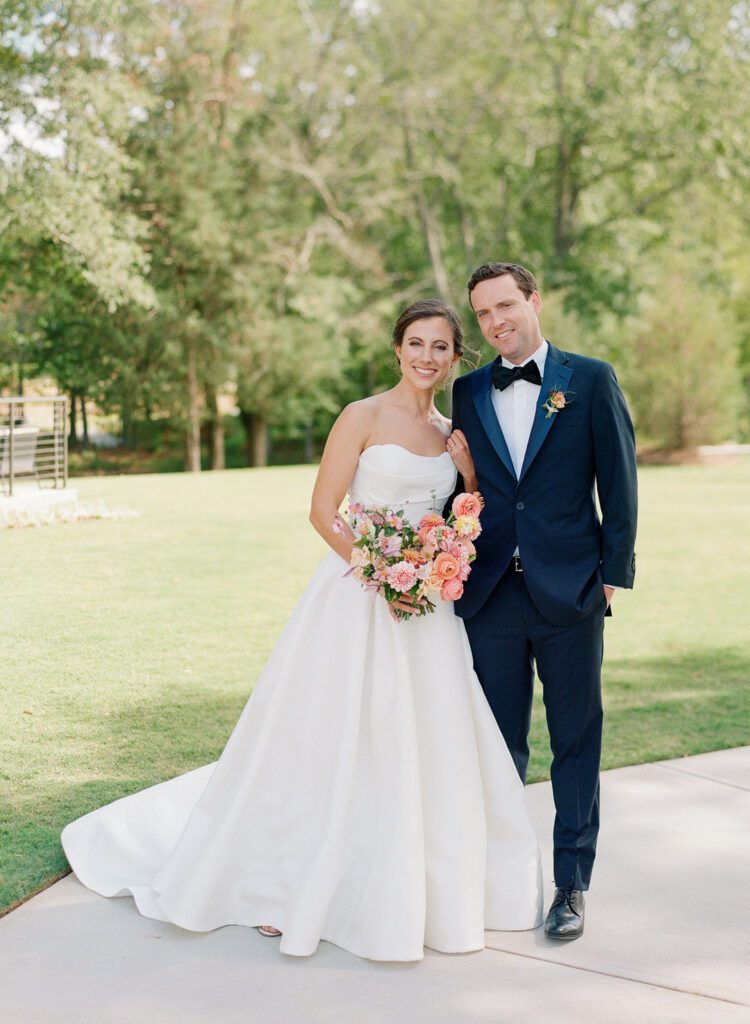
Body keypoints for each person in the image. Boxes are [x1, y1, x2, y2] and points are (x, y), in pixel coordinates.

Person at [62, 299, 543, 963]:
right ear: (397, 348)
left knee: (420, 740)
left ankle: (416, 881)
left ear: (454, 356)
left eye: (439, 346)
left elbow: (465, 515)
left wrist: (463, 479)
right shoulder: (362, 416)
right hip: (355, 596)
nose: (426, 356)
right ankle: (284, 880)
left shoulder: (450, 430)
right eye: (415, 343)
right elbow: (323, 510)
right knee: (329, 733)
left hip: (426, 612)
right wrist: (382, 572)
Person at [446, 263, 637, 941]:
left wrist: (612, 573)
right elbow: (459, 486)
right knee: (498, 746)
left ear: (534, 300)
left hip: (571, 593)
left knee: (575, 741)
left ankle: (571, 885)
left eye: (505, 306)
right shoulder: (467, 391)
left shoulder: (589, 380)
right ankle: (500, 877)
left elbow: (618, 480)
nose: (496, 322)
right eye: (484, 314)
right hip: (491, 594)